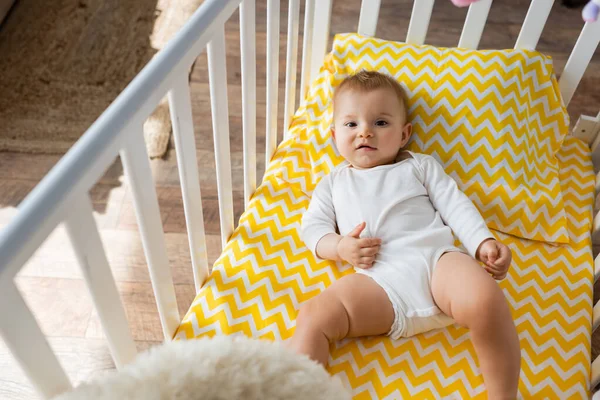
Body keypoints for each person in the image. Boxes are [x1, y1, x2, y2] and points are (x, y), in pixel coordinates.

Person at [288, 70, 521, 399]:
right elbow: (312, 229)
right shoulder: (333, 182)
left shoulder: (419, 166)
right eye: (351, 124)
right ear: (333, 135)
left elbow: (456, 205)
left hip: (436, 264)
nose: (365, 132)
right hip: (378, 281)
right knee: (314, 315)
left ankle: (503, 395)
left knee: (487, 299)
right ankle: (298, 392)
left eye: (381, 123)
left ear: (404, 134)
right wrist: (340, 246)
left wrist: (483, 242)